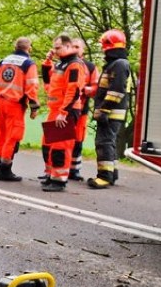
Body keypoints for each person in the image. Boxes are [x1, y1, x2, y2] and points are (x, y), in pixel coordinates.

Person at [0, 37, 41, 181]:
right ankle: (5, 169)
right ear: (29, 48)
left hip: (0, 102)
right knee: (13, 137)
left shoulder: (4, 61)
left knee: (2, 135)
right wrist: (34, 107)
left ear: (15, 46)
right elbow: (32, 87)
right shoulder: (29, 64)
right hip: (15, 104)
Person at [39, 34, 87, 192]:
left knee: (61, 146)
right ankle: (52, 176)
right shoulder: (61, 64)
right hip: (56, 110)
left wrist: (63, 112)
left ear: (68, 46)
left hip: (65, 110)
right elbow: (48, 80)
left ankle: (59, 181)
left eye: (58, 47)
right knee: (50, 145)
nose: (55, 50)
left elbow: (73, 90)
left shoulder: (74, 65)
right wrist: (47, 61)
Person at [87, 29, 131, 189]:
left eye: (103, 46)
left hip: (111, 112)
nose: (102, 49)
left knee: (104, 143)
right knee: (109, 142)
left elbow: (116, 91)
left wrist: (104, 110)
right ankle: (112, 174)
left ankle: (104, 177)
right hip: (112, 112)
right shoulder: (117, 64)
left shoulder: (119, 64)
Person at [70, 38, 100, 181]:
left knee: (77, 140)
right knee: (57, 140)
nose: (75, 49)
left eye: (77, 47)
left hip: (81, 109)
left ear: (83, 50)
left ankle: (74, 170)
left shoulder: (90, 67)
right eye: (72, 46)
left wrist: (87, 89)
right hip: (61, 110)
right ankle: (51, 169)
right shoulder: (62, 64)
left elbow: (96, 87)